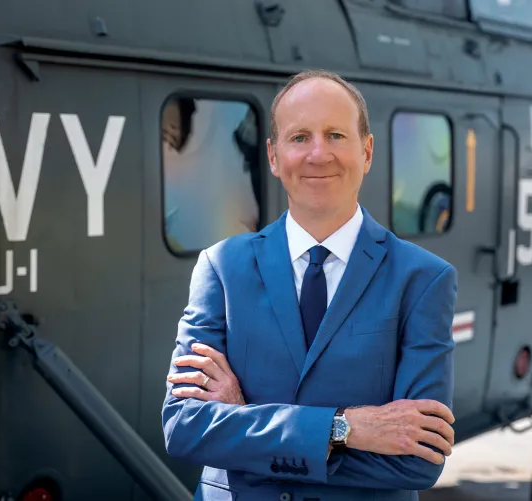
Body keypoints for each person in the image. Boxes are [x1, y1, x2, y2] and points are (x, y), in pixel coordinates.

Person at [161, 69, 458, 501]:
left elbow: (417, 458)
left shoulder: (423, 279)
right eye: (300, 137)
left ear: (368, 151)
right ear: (274, 157)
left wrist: (244, 424)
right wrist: (346, 428)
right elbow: (184, 428)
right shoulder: (222, 268)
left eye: (336, 135)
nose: (318, 154)